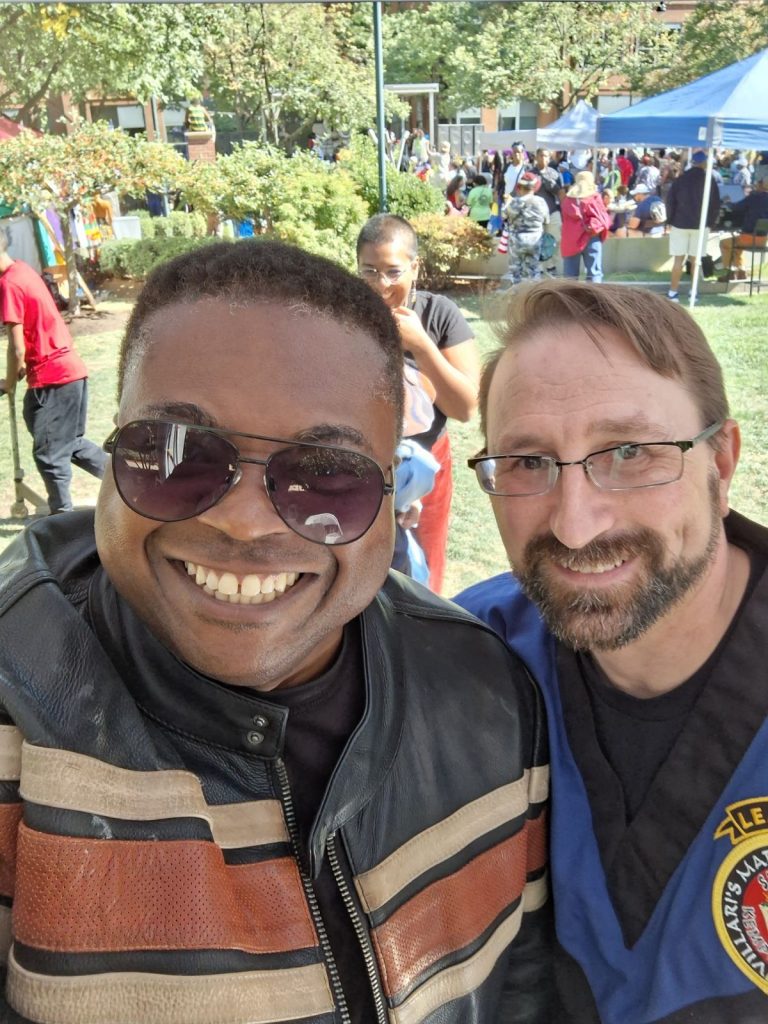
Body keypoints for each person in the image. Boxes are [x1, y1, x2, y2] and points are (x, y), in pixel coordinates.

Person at [0, 240, 552, 1023]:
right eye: (174, 452)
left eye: (326, 471)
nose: (243, 521)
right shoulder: (16, 720)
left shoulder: (486, 696)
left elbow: (517, 984)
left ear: (395, 493)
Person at [456, 279, 768, 1023]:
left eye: (629, 451)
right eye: (528, 463)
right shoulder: (467, 663)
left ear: (720, 465)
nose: (574, 525)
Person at [356, 215, 479, 593]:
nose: (382, 284)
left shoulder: (439, 314)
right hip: (365, 466)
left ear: (415, 266)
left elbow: (466, 408)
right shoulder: (347, 315)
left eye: (393, 272)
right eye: (369, 271)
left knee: (425, 571)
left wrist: (422, 345)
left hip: (428, 467)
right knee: (362, 567)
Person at [0, 227, 106, 513]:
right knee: (69, 443)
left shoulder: (9, 284)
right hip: (70, 370)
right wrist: (20, 369)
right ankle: (131, 483)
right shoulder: (23, 270)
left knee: (49, 454)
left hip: (54, 377)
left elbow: (16, 347)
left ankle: (61, 516)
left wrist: (8, 382)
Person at [665, 151, 720, 302]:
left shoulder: (680, 179)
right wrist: (711, 223)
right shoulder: (709, 180)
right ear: (705, 163)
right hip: (700, 225)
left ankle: (672, 292)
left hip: (680, 223)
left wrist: (669, 221)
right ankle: (693, 292)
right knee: (696, 261)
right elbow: (715, 205)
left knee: (678, 261)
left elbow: (670, 202)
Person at [560, 171, 612, 283]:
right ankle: (594, 298)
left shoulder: (567, 200)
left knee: (570, 277)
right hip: (592, 236)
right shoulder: (594, 197)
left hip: (571, 240)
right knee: (594, 273)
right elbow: (603, 218)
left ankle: (569, 299)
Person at [502, 172, 551, 285]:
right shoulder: (541, 201)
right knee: (534, 270)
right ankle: (534, 294)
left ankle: (517, 293)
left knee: (515, 271)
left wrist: (507, 202)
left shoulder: (515, 202)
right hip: (536, 240)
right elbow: (546, 220)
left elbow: (504, 215)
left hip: (517, 240)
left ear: (519, 187)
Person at [718, 174, 768, 281]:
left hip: (748, 238)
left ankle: (730, 272)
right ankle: (741, 271)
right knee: (736, 245)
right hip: (763, 240)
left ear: (761, 185)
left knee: (725, 243)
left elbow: (736, 207)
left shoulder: (754, 197)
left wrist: (727, 202)